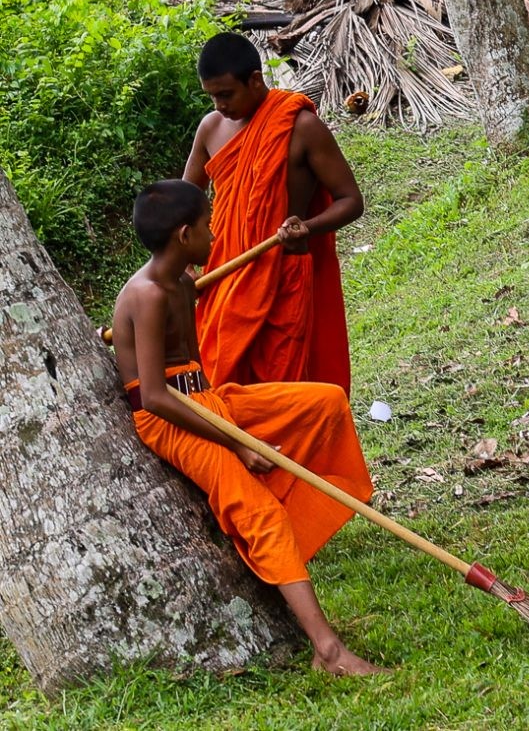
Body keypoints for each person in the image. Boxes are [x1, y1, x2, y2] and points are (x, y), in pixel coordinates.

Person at [111, 179, 381, 676]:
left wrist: (237, 424)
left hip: (208, 401)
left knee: (325, 403)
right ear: (185, 233)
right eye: (210, 225)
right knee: (260, 514)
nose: (216, 234)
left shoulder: (184, 283)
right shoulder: (145, 295)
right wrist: (238, 441)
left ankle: (291, 526)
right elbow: (153, 395)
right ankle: (329, 651)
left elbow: (194, 364)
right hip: (169, 418)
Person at [184, 33, 363, 390]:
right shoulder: (211, 128)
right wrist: (184, 265)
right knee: (222, 383)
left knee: (281, 387)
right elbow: (185, 203)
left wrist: (307, 228)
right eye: (212, 96)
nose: (219, 105)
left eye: (226, 94)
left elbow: (351, 200)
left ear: (255, 79)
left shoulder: (300, 126)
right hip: (224, 277)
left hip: (280, 277)